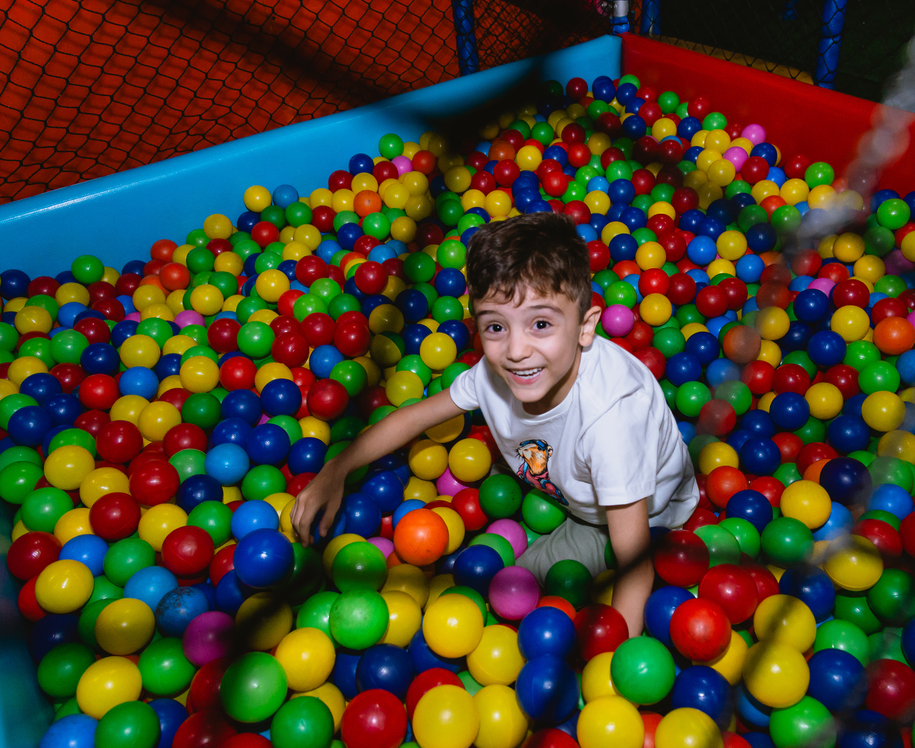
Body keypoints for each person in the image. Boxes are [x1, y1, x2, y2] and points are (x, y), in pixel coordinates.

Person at [291, 211, 697, 637]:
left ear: (585, 327)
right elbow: (415, 416)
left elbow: (633, 559)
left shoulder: (611, 421)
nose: (516, 350)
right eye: (496, 327)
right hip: (562, 475)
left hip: (632, 514)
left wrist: (620, 660)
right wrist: (336, 469)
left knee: (510, 594)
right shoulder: (494, 373)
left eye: (541, 324)